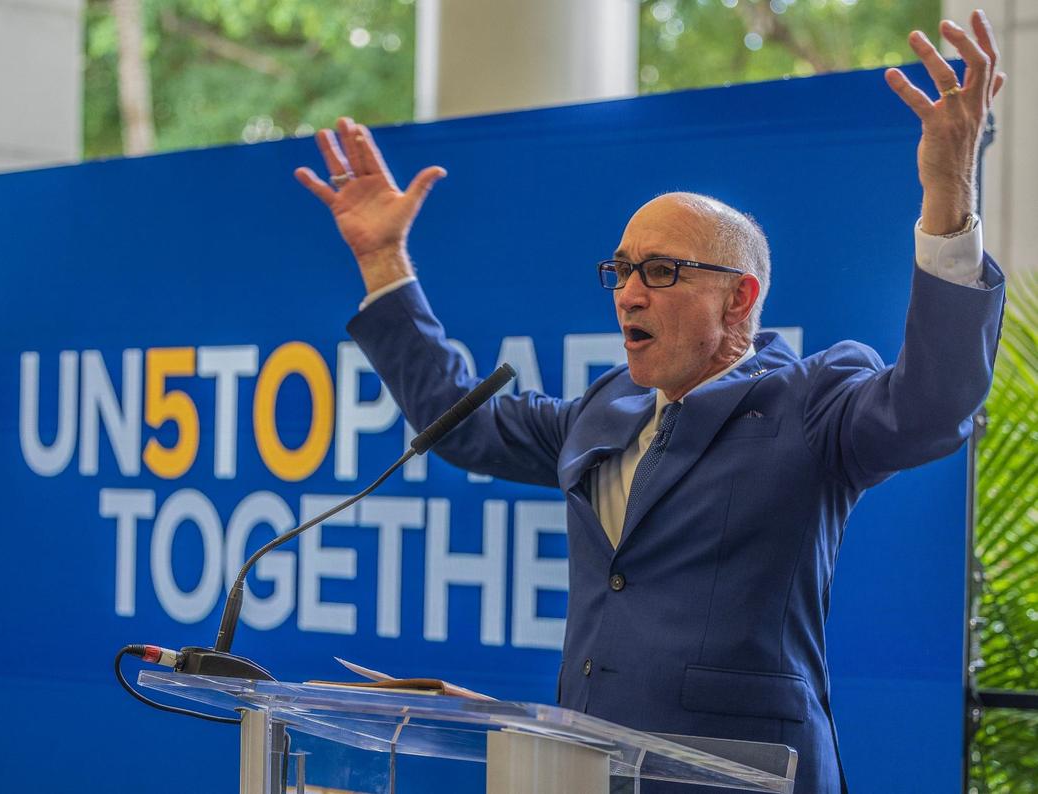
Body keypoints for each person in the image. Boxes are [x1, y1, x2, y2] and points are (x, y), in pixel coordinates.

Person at [295, 13, 1006, 794]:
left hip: (744, 779)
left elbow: (934, 405)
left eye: (661, 271)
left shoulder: (810, 402)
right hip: (591, 775)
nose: (628, 294)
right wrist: (385, 262)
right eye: (622, 270)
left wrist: (949, 197)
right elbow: (463, 424)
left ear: (741, 299)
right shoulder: (606, 410)